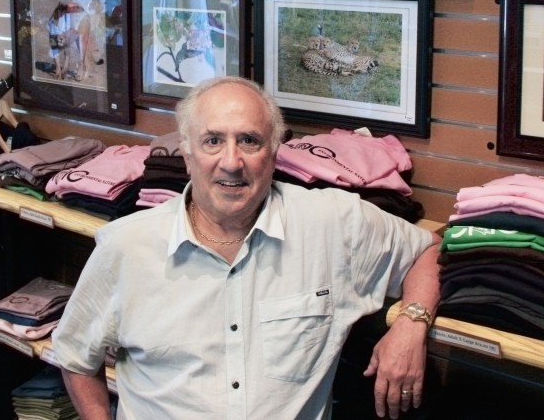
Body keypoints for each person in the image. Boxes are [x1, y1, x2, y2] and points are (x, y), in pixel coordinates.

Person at [52, 76, 440, 419]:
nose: (231, 162)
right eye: (213, 141)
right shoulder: (128, 246)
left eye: (249, 141)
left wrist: (411, 324)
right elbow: (75, 358)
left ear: (273, 154)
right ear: (187, 156)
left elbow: (428, 250)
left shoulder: (333, 224)